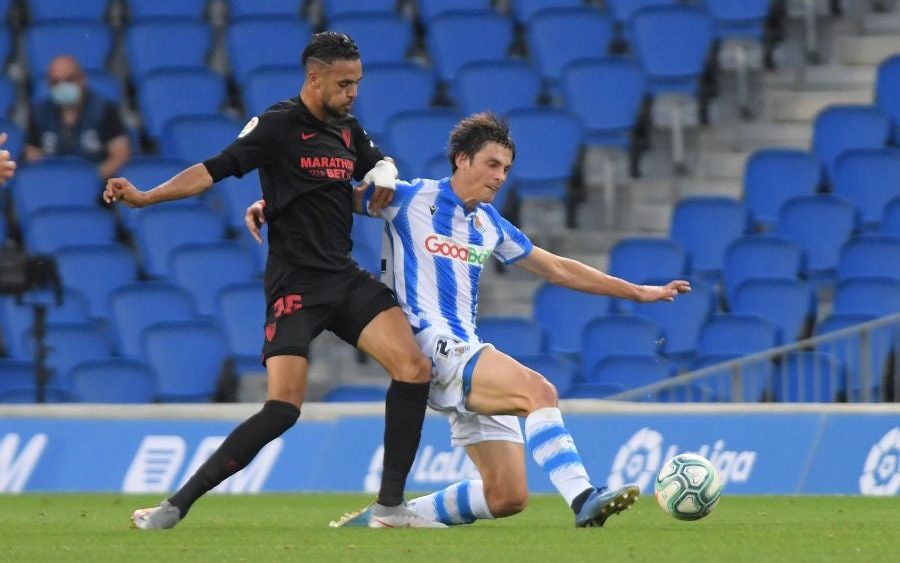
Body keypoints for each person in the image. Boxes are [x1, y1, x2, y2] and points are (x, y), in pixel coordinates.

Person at [246, 113, 690, 528]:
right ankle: (583, 498)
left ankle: (383, 518)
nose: (499, 176)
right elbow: (327, 199)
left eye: (506, 169)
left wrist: (638, 291)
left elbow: (556, 267)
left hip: (463, 348)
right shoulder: (408, 197)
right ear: (462, 159)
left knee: (507, 497)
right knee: (538, 391)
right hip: (426, 344)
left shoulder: (490, 224)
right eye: (492, 164)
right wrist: (272, 204)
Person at [104, 32, 441, 530]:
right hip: (296, 287)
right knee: (283, 408)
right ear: (314, 78)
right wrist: (147, 197)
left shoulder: (348, 128)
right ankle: (174, 506)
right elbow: (214, 169)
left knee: (414, 368)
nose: (353, 94)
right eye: (344, 84)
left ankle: (390, 507)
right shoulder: (278, 125)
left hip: (344, 278)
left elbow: (377, 164)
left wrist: (384, 173)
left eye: (358, 83)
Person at [25, 55, 131, 179]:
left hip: (98, 186)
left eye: (69, 80)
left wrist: (88, 180)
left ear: (82, 79)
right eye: (55, 82)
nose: (62, 86)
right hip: (53, 185)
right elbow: (33, 156)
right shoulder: (39, 112)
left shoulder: (104, 109)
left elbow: (121, 155)